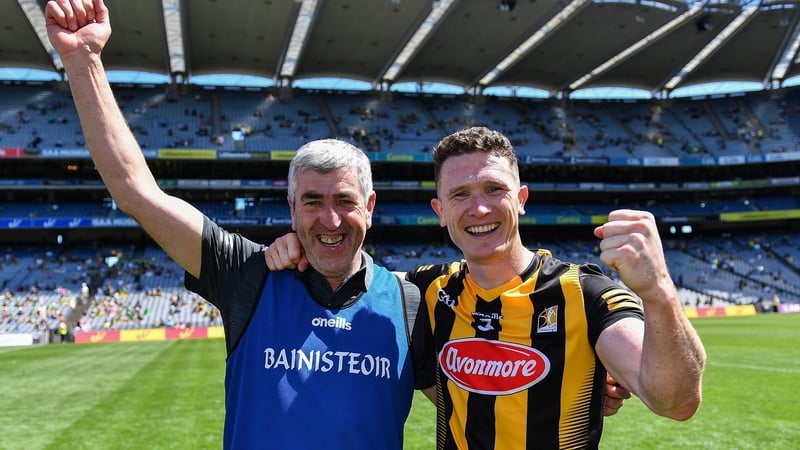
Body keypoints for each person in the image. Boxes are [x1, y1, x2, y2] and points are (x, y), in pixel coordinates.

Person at [44, 1, 433, 449]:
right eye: (312, 201)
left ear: (370, 207)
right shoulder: (247, 273)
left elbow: (469, 409)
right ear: (291, 207)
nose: (330, 220)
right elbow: (136, 192)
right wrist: (83, 59)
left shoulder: (408, 304)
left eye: (345, 201)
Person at [266, 126, 706, 449]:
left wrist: (659, 290)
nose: (478, 207)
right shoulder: (424, 292)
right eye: (459, 195)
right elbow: (345, 276)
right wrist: (297, 246)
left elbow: (676, 401)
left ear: (521, 198)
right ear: (440, 210)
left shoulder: (587, 294)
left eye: (494, 189)